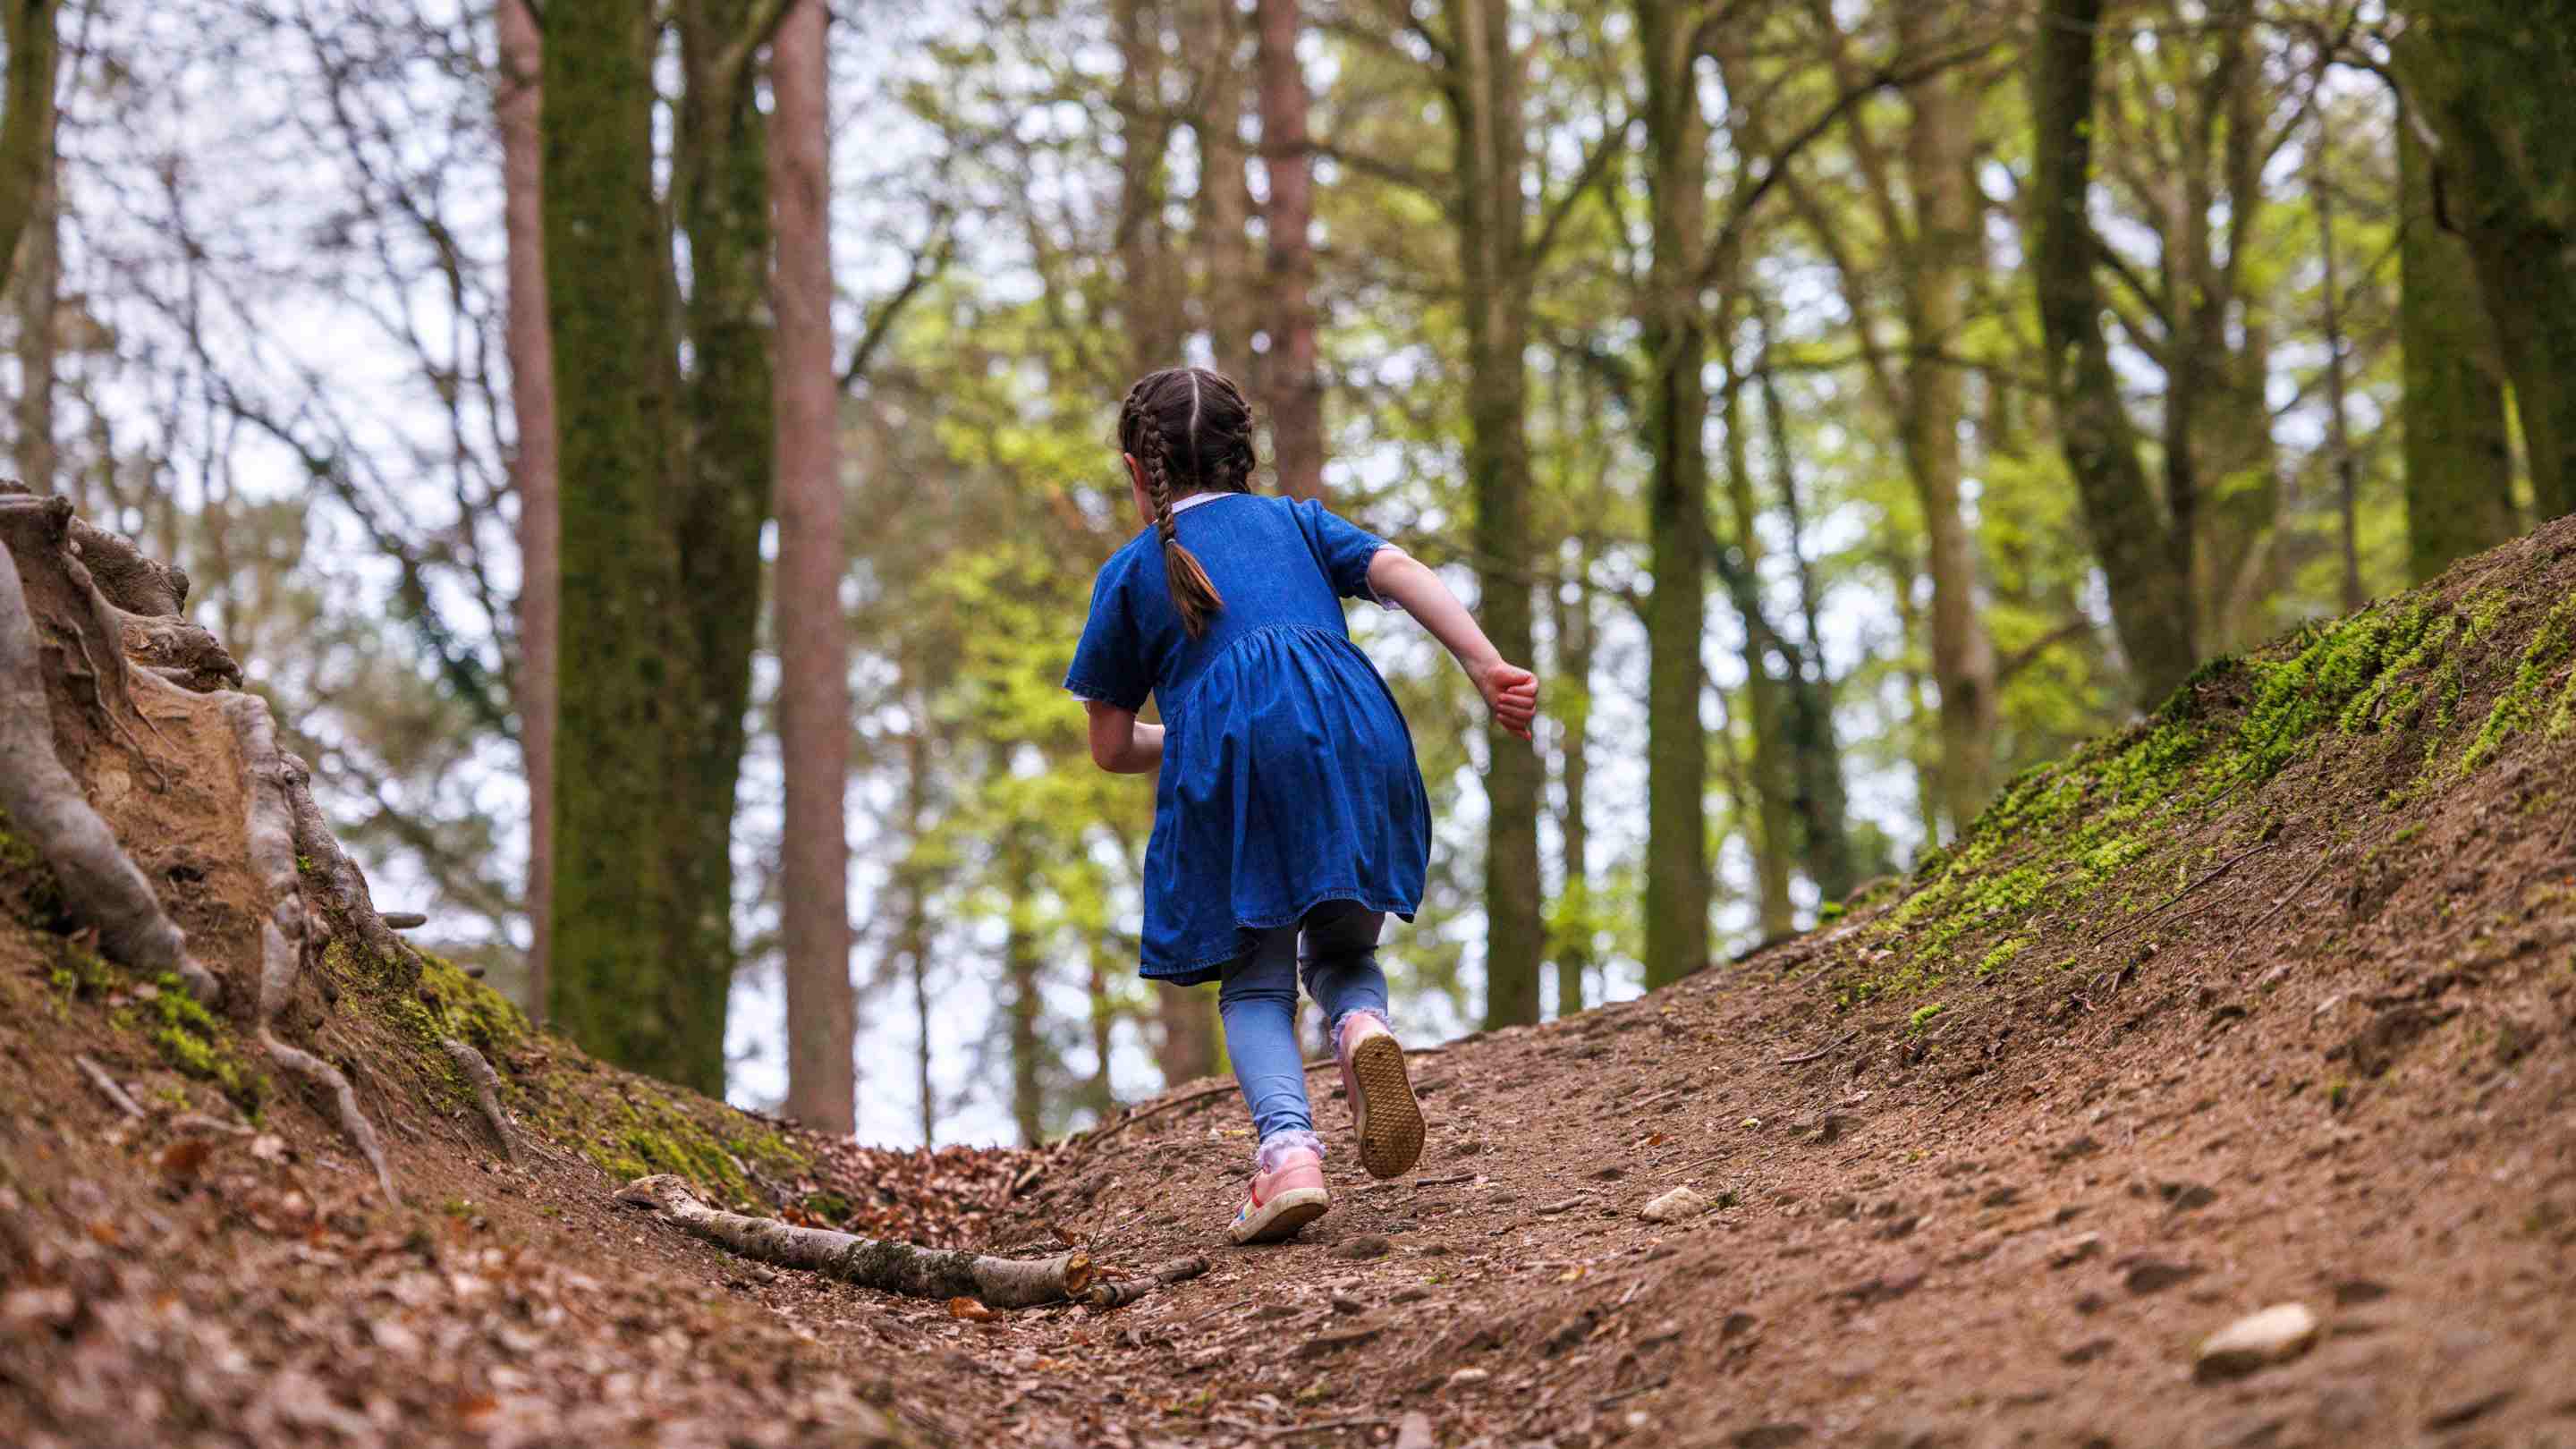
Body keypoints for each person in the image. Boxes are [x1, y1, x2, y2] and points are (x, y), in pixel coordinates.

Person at [1066, 366, 1538, 1244]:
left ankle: (1288, 1155)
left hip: (1240, 770)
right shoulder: (1296, 522)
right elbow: (1398, 571)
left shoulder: (1132, 574)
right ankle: (1361, 1023)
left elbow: (1109, 746)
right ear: (1246, 455)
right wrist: (1484, 662)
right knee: (1344, 945)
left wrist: (1202, 737)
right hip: (1357, 733)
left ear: (1140, 471)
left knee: (1252, 982)